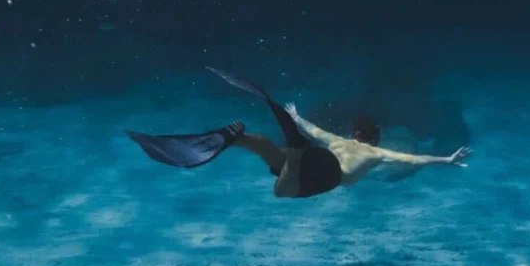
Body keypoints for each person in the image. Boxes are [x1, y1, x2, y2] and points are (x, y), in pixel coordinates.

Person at [125, 68, 472, 199]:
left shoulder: (340, 141)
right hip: (323, 177)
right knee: (283, 186)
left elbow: (314, 129)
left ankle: (242, 138)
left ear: (353, 131)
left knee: (267, 146)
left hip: (319, 159)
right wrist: (447, 158)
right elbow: (413, 158)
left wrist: (293, 115)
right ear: (375, 139)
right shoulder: (375, 153)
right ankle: (291, 147)